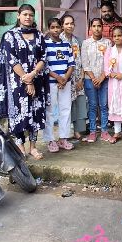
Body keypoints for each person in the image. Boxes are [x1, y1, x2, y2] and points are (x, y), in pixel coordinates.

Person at [0, 3, 49, 160]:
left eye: (31, 15)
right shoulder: (10, 36)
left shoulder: (39, 35)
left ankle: (33, 147)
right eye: (25, 14)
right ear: (18, 16)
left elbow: (43, 57)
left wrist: (33, 75)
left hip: (36, 79)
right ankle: (20, 147)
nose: (28, 17)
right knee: (18, 114)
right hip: (17, 83)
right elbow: (11, 59)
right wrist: (27, 81)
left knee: (35, 112)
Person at [44, 18, 75, 153]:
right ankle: (50, 140)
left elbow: (71, 64)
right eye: (53, 27)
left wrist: (65, 79)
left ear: (61, 28)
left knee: (65, 109)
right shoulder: (45, 44)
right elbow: (44, 65)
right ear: (49, 29)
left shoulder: (66, 44)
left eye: (57, 27)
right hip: (51, 82)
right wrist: (57, 78)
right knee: (50, 111)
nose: (55, 30)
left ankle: (63, 138)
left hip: (65, 83)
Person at [81, 18, 114, 143]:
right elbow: (85, 63)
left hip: (104, 79)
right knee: (93, 106)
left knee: (104, 106)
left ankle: (105, 131)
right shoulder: (86, 43)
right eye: (94, 26)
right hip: (90, 79)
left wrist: (101, 78)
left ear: (102, 27)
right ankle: (92, 132)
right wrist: (94, 78)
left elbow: (110, 62)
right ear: (90, 28)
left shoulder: (108, 43)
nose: (96, 28)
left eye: (99, 26)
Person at [60, 14, 87, 140]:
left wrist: (81, 79)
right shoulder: (59, 40)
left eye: (71, 23)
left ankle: (78, 130)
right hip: (64, 79)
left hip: (78, 79)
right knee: (66, 106)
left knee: (79, 103)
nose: (70, 26)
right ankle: (65, 133)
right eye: (67, 24)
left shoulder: (78, 41)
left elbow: (83, 61)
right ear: (62, 26)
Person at [104, 26, 122, 144]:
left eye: (119, 35)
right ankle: (116, 132)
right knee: (115, 105)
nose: (117, 38)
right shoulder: (110, 51)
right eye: (114, 36)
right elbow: (106, 68)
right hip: (114, 82)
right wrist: (112, 74)